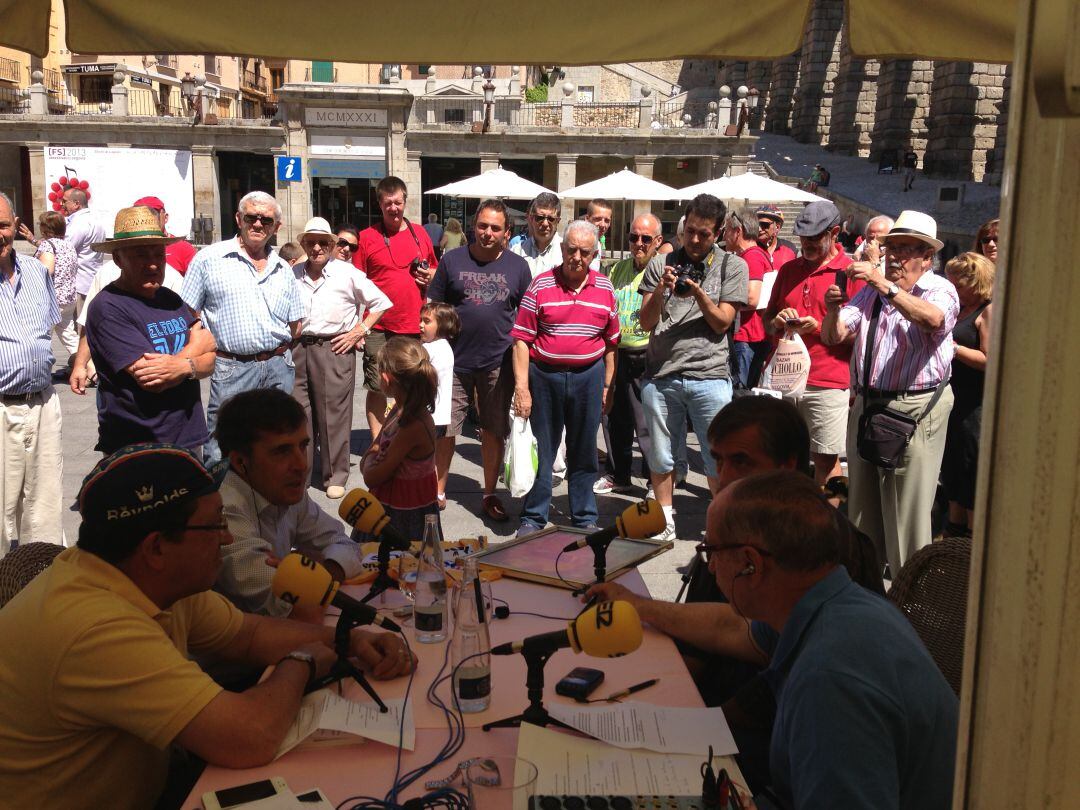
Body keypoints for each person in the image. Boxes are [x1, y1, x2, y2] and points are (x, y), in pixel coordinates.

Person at [0, 443, 412, 809]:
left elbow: (248, 635)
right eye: (215, 525)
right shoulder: (94, 626)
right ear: (157, 547)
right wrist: (302, 659)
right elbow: (249, 737)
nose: (229, 538)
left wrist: (349, 638)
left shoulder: (145, 577)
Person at [589, 471, 957, 810]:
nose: (710, 566)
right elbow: (731, 628)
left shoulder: (829, 679)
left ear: (751, 563)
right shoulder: (832, 604)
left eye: (711, 552)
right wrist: (639, 606)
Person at [822, 210, 959, 576]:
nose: (894, 257)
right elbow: (835, 336)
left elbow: (932, 320)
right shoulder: (871, 293)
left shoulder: (940, 289)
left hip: (914, 410)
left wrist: (884, 284)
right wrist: (832, 311)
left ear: (927, 257)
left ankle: (910, 600)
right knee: (862, 515)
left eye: (905, 250)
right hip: (869, 405)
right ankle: (865, 595)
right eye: (891, 248)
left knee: (906, 518)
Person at [638, 193, 749, 541]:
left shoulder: (733, 266)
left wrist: (698, 293)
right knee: (660, 453)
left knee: (718, 455)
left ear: (718, 233)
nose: (696, 240)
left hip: (710, 376)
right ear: (683, 227)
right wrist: (662, 290)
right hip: (662, 374)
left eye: (705, 234)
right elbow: (645, 322)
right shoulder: (661, 264)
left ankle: (721, 522)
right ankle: (665, 519)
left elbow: (722, 323)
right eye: (690, 232)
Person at [214, 389, 365, 617]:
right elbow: (287, 603)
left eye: (303, 446)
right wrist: (315, 572)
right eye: (282, 451)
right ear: (239, 461)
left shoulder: (284, 489)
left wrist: (318, 572)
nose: (301, 464)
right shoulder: (223, 511)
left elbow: (346, 545)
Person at [427, 198, 532, 522]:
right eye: (483, 226)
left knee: (493, 430)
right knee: (445, 429)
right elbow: (432, 305)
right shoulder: (452, 260)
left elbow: (527, 315)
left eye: (495, 228)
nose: (487, 233)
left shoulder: (518, 267)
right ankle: (437, 491)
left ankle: (489, 493)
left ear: (506, 232)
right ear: (473, 226)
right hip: (453, 363)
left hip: (496, 363)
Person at [511, 220, 619, 533]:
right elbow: (521, 340)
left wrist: (608, 386)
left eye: (584, 252)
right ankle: (534, 516)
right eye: (571, 249)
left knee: (584, 450)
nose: (576, 256)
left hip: (589, 376)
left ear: (594, 254)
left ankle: (585, 518)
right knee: (544, 451)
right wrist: (522, 388)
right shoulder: (540, 285)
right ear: (562, 249)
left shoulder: (605, 288)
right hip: (545, 377)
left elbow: (613, 343)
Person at [82, 206, 216, 455]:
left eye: (158, 254)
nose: (153, 264)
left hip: (187, 438)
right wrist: (193, 353)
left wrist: (183, 365)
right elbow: (151, 379)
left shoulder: (171, 299)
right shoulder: (108, 307)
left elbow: (210, 357)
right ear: (119, 259)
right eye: (142, 255)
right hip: (138, 444)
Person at [181, 191, 304, 462]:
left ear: (277, 227)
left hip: (277, 367)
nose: (258, 224)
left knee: (275, 439)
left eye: (266, 220)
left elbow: (296, 324)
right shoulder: (209, 259)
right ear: (239, 219)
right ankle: (221, 502)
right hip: (231, 367)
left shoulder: (283, 268)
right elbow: (187, 313)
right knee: (222, 442)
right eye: (251, 217)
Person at [764, 200, 865, 486]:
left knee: (826, 461)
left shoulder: (851, 273)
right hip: (785, 378)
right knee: (785, 457)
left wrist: (819, 327)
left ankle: (829, 525)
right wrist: (779, 321)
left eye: (814, 237)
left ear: (834, 233)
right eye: (803, 237)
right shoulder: (789, 270)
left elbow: (863, 332)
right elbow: (767, 321)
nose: (806, 244)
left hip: (827, 380)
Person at [292, 217, 392, 499]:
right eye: (311, 242)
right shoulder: (293, 273)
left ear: (331, 245)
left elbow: (381, 302)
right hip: (299, 347)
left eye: (323, 242)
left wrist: (359, 330)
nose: (317, 248)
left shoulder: (347, 273)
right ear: (303, 244)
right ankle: (304, 471)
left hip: (333, 348)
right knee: (301, 413)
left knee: (333, 415)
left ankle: (335, 474)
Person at [0, 192, 64, 554]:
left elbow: (50, 329)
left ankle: (40, 586)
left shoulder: (38, 272)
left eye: (4, 225)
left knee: (45, 509)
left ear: (16, 226)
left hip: (42, 404)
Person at [353, 176, 438, 440]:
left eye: (398, 202)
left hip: (412, 325)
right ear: (379, 204)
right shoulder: (367, 238)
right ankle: (379, 442)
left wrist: (431, 275)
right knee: (378, 386)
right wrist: (356, 327)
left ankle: (404, 436)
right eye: (388, 203)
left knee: (411, 386)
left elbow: (436, 269)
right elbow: (354, 285)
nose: (394, 208)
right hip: (378, 326)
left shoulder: (420, 234)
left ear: (405, 201)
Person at [594, 213, 662, 495]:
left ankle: (652, 479)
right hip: (617, 352)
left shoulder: (662, 269)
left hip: (648, 352)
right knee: (613, 417)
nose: (639, 243)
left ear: (658, 241)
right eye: (634, 237)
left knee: (646, 421)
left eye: (646, 238)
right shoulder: (617, 269)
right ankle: (618, 473)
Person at [359, 337, 441, 542]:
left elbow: (371, 475)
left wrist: (371, 459)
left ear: (386, 379)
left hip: (402, 518)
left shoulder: (412, 426)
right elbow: (375, 450)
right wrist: (373, 458)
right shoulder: (399, 409)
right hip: (388, 505)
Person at [942, 252, 994, 537]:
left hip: (973, 405)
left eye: (958, 284)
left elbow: (990, 359)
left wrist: (954, 348)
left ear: (976, 282)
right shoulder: (959, 308)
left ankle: (969, 542)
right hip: (952, 400)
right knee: (953, 470)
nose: (954, 289)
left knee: (969, 471)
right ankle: (953, 534)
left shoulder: (987, 310)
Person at [18, 210, 79, 372]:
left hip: (51, 300)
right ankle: (87, 365)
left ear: (47, 229)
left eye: (41, 225)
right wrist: (33, 240)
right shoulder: (68, 245)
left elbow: (46, 270)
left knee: (42, 336)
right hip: (68, 298)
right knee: (69, 334)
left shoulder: (47, 245)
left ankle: (40, 371)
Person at [724, 206, 774, 389]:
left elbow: (752, 298)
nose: (723, 236)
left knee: (738, 392)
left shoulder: (751, 257)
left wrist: (722, 301)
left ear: (738, 232)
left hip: (748, 338)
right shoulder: (756, 254)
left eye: (727, 230)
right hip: (753, 337)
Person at [420, 302, 459, 510]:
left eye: (427, 321)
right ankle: (434, 492)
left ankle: (429, 492)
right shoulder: (441, 347)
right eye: (421, 320)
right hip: (437, 413)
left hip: (430, 413)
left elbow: (422, 380)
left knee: (425, 455)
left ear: (443, 325)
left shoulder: (431, 349)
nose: (420, 325)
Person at [60, 185, 107, 318]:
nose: (62, 204)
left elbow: (64, 249)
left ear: (76, 204)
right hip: (92, 279)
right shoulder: (95, 221)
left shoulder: (79, 223)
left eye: (65, 201)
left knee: (81, 328)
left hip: (80, 284)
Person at [132, 195, 198, 273]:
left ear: (165, 217)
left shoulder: (183, 249)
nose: (146, 220)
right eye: (140, 216)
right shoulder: (129, 249)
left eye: (152, 214)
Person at [510, 192, 564, 278]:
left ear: (558, 221)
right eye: (540, 218)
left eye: (551, 219)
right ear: (531, 219)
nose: (545, 223)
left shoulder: (566, 252)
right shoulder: (516, 251)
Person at [586, 197, 613, 270]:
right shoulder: (576, 244)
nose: (603, 225)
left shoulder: (597, 244)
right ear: (587, 219)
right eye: (598, 219)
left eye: (607, 220)